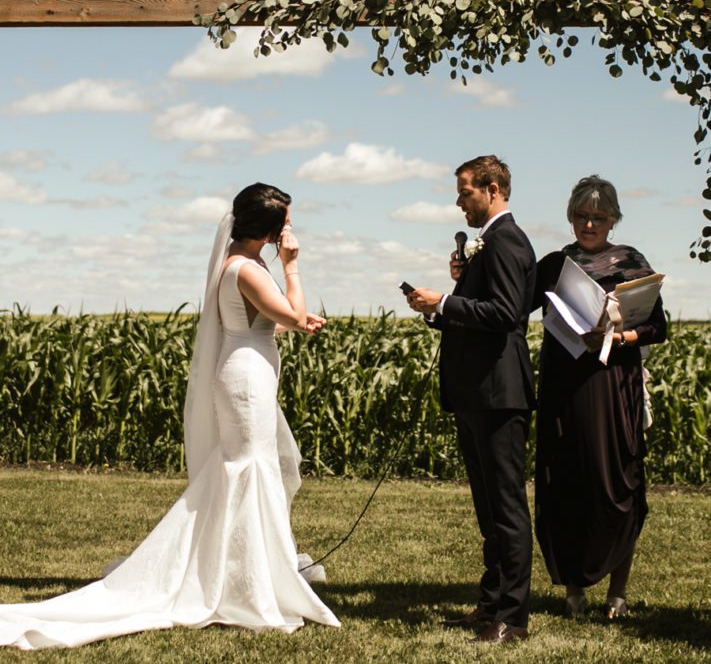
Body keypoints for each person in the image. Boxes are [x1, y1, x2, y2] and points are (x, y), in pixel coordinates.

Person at [0, 182, 340, 649]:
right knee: (248, 470)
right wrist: (294, 267)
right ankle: (246, 583)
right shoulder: (250, 268)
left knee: (245, 470)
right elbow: (298, 317)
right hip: (245, 379)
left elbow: (267, 319)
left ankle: (243, 573)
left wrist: (282, 316)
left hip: (248, 370)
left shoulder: (243, 264)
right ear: (269, 229)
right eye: (286, 222)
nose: (291, 229)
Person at [407, 155, 536, 646]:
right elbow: (480, 311)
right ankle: (489, 604)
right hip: (477, 392)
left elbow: (505, 313)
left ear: (493, 189)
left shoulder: (505, 240)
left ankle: (513, 617)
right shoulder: (490, 245)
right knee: (488, 510)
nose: (459, 201)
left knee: (506, 507)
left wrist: (444, 300)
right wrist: (439, 309)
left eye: (464, 192)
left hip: (499, 394)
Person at [533, 175, 666, 620]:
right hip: (565, 386)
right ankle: (573, 593)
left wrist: (619, 335)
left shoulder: (631, 262)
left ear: (613, 219)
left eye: (599, 217)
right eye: (582, 216)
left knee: (618, 483)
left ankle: (617, 595)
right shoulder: (555, 264)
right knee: (568, 480)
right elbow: (512, 305)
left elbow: (657, 327)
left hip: (613, 385)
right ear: (571, 218)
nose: (590, 224)